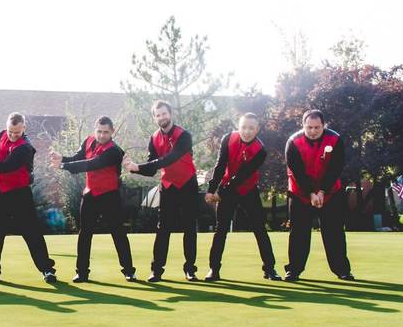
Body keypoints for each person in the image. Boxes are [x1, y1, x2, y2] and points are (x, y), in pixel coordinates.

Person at [0, 112, 57, 284]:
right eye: (10, 131)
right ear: (7, 127)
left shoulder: (25, 148)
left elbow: (4, 167)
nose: (13, 135)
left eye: (17, 132)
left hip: (20, 194)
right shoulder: (2, 135)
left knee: (32, 233)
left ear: (24, 128)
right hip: (0, 192)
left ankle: (47, 269)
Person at [49, 116, 135, 282]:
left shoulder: (114, 151)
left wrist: (62, 166)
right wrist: (63, 159)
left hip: (110, 196)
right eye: (99, 131)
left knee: (118, 233)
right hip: (90, 194)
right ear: (94, 129)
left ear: (112, 132)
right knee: (85, 233)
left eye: (106, 132)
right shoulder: (88, 140)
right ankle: (81, 272)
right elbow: (78, 158)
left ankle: (129, 270)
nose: (102, 135)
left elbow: (91, 164)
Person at [124, 100, 199, 282]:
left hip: (188, 184)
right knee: (163, 229)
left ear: (170, 114)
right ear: (154, 118)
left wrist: (138, 166)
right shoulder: (154, 138)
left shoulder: (184, 136)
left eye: (164, 114)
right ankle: (156, 270)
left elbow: (169, 159)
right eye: (157, 115)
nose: (161, 117)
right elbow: (151, 169)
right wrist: (134, 168)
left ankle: (190, 269)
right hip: (168, 187)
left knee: (189, 227)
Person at [204, 113, 279, 281]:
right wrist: (211, 189)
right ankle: (213, 269)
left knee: (259, 229)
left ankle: (270, 269)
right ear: (239, 126)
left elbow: (242, 176)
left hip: (248, 190)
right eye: (243, 127)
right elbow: (220, 165)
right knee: (221, 229)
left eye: (251, 128)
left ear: (257, 129)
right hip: (226, 188)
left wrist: (220, 193)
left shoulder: (261, 150)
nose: (247, 131)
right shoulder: (228, 138)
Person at [284, 109, 355, 281]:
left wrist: (323, 191)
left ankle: (342, 270)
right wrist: (310, 193)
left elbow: (336, 168)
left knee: (334, 231)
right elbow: (297, 172)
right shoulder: (293, 143)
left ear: (324, 125)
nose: (313, 131)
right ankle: (294, 270)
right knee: (299, 233)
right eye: (309, 127)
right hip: (300, 192)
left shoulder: (335, 139)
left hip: (330, 192)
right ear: (303, 126)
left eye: (317, 127)